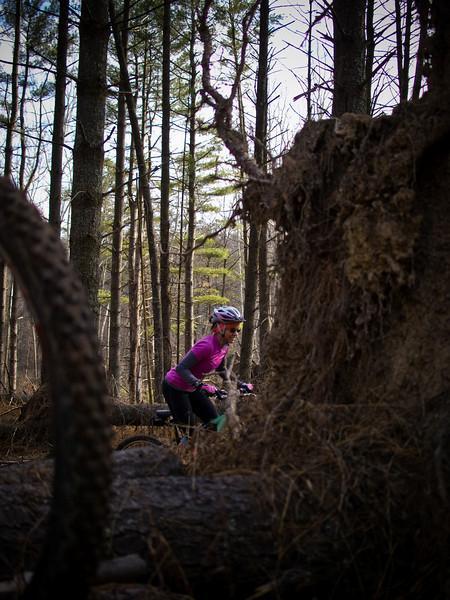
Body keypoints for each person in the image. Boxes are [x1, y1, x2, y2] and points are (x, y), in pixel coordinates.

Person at [162, 306, 252, 434]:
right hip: (174, 387)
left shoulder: (224, 346)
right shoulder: (206, 346)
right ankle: (182, 450)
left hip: (192, 388)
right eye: (233, 329)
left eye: (238, 329)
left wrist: (241, 384)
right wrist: (200, 385)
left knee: (216, 423)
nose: (236, 334)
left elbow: (222, 371)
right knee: (189, 430)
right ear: (220, 327)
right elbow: (181, 368)